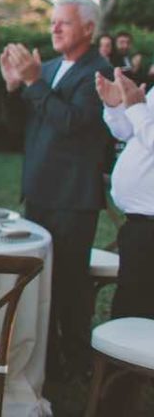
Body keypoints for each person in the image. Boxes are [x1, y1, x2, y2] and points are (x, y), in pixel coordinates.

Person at [0, 0, 112, 380]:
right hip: (40, 190)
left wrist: (32, 82)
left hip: (72, 196)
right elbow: (20, 126)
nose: (55, 28)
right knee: (39, 283)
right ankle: (43, 362)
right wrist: (14, 88)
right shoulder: (45, 68)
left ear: (88, 29)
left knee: (68, 285)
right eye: (53, 22)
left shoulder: (100, 71)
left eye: (64, 22)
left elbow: (73, 123)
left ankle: (77, 364)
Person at [97, 68, 154, 321]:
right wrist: (116, 107)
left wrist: (135, 108)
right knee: (128, 311)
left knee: (138, 317)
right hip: (138, 225)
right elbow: (130, 133)